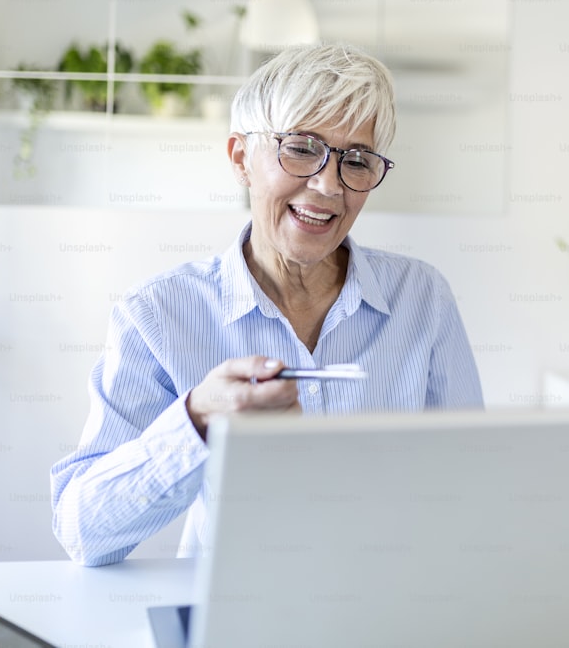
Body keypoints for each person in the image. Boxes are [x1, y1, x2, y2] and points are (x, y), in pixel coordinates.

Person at [50, 44, 483, 567]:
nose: (328, 185)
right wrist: (196, 420)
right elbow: (83, 533)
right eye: (301, 147)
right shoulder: (159, 314)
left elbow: (470, 484)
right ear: (241, 159)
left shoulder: (422, 298)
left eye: (357, 159)